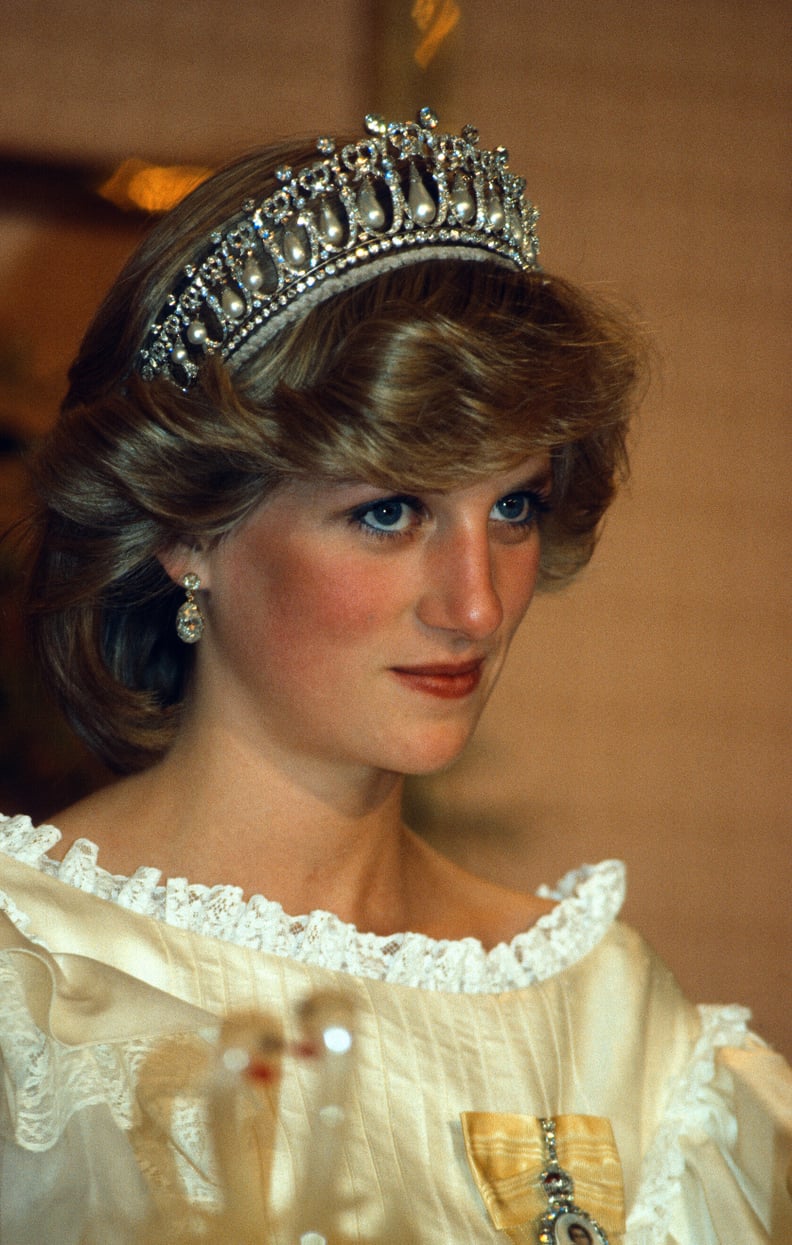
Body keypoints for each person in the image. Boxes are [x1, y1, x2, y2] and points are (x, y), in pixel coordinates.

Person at [0, 109, 788, 1244]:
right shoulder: (35, 992)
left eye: (511, 507)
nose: (475, 605)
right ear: (186, 531)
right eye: (390, 512)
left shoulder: (616, 1028)